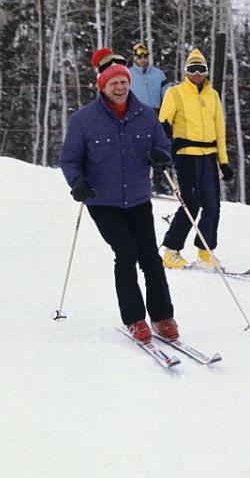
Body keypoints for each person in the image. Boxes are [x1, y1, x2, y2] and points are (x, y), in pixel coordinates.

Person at [59, 48, 179, 344]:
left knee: (150, 256)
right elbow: (70, 159)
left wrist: (161, 158)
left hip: (138, 198)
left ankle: (163, 316)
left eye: (124, 81)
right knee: (126, 253)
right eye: (114, 83)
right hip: (103, 201)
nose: (121, 86)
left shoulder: (146, 117)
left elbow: (162, 146)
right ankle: (135, 319)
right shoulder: (84, 120)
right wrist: (78, 183)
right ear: (103, 86)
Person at [158, 48, 234, 270]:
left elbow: (219, 131)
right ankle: (171, 250)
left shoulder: (213, 96)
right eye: (192, 69)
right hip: (186, 156)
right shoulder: (176, 93)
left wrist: (224, 162)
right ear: (186, 71)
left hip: (208, 156)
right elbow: (162, 124)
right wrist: (163, 150)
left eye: (202, 69)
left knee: (212, 205)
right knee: (191, 203)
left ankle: (205, 251)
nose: (197, 73)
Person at [128, 42, 172, 194]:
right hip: (136, 115)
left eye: (145, 56)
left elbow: (168, 94)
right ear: (135, 58)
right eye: (140, 56)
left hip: (156, 114)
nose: (143, 59)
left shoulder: (158, 74)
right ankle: (138, 183)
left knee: (158, 148)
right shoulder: (129, 74)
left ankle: (158, 182)